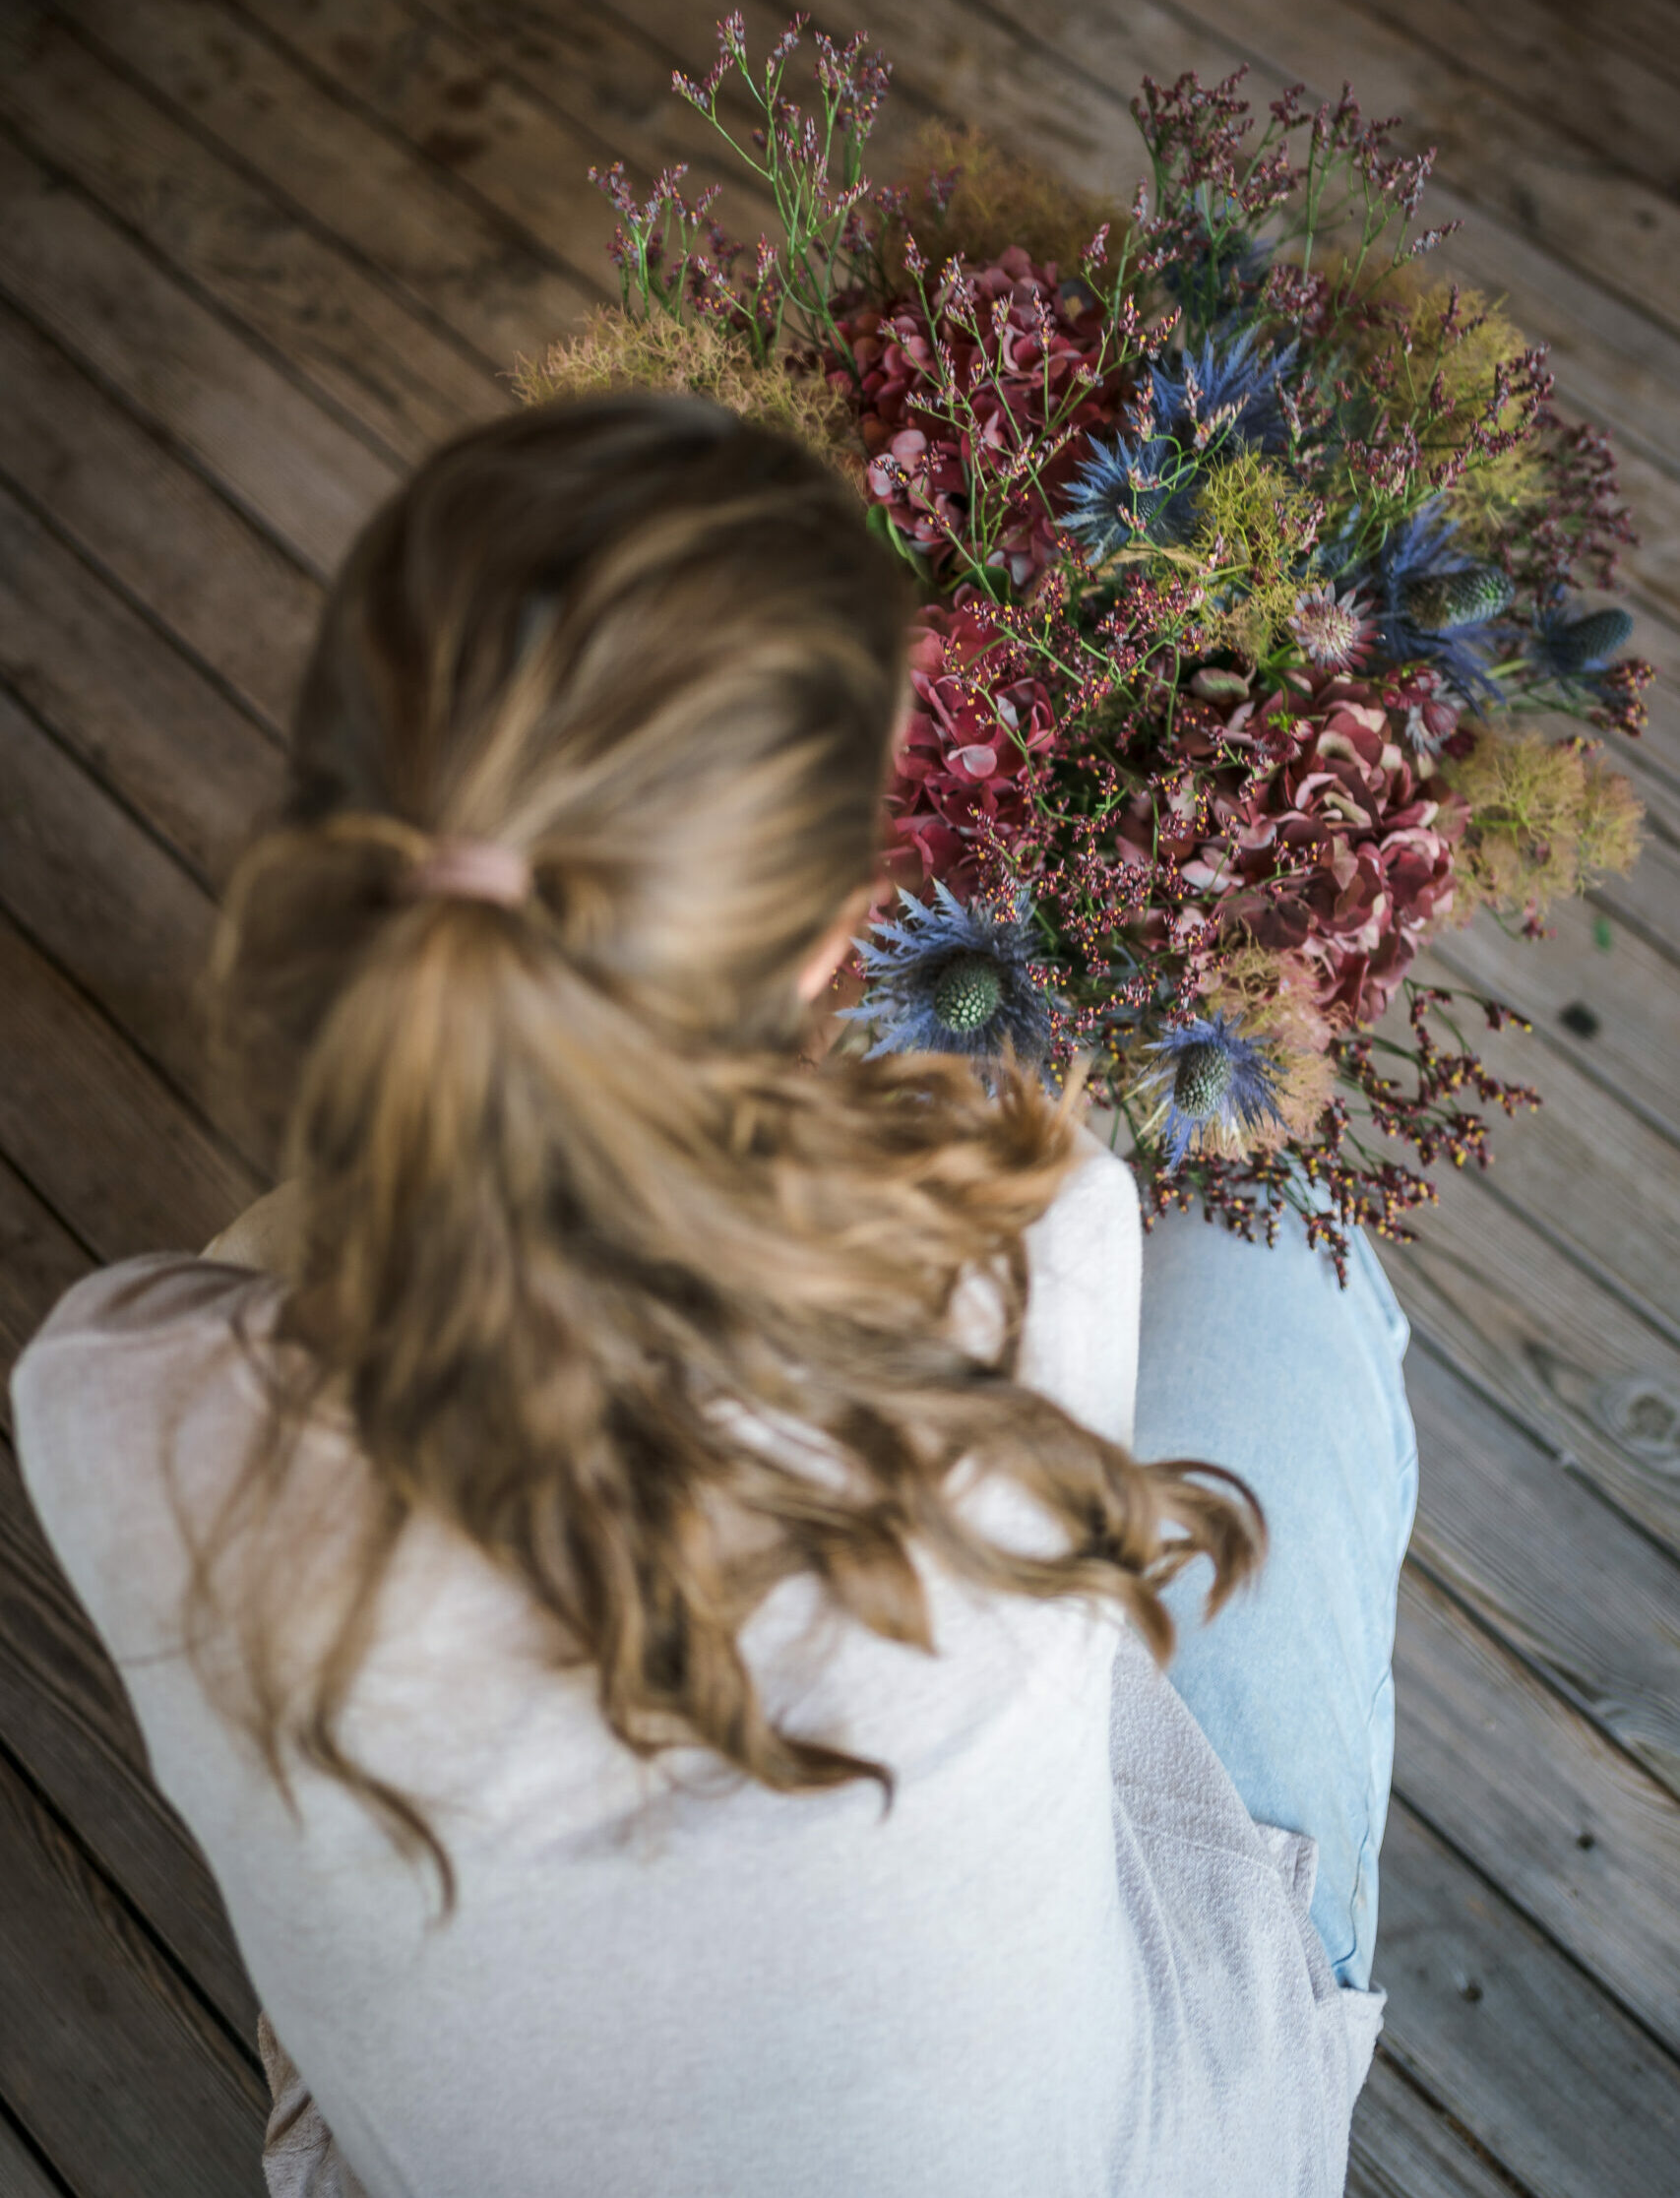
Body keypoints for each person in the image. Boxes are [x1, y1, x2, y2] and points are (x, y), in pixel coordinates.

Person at [11, 396, 1415, 2198]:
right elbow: (970, 1197)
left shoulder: (111, 1404)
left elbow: (292, 1265)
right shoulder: (1024, 1258)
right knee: (1281, 1216)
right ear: (844, 926)